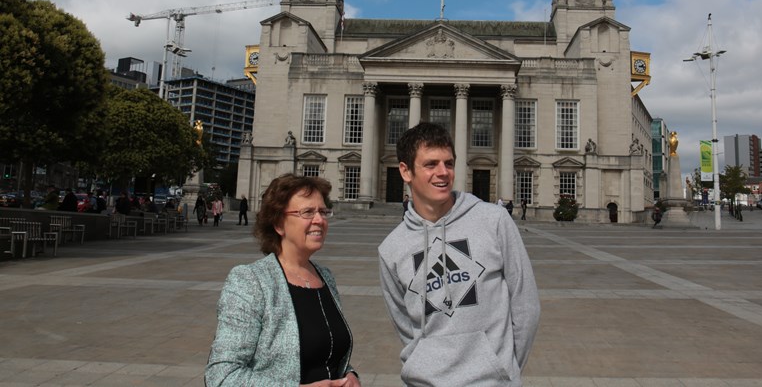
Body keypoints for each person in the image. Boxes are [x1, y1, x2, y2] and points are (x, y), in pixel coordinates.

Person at [378, 122, 540, 387]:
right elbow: (406, 327)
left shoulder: (494, 220)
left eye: (449, 163)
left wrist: (503, 370)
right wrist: (424, 363)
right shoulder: (391, 248)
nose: (443, 173)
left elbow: (526, 306)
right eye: (431, 164)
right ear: (405, 172)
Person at [205, 174, 361, 386]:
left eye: (323, 211)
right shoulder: (251, 281)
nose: (320, 219)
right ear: (278, 223)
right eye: (307, 212)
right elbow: (221, 375)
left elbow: (325, 352)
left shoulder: (325, 277)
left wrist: (349, 375)